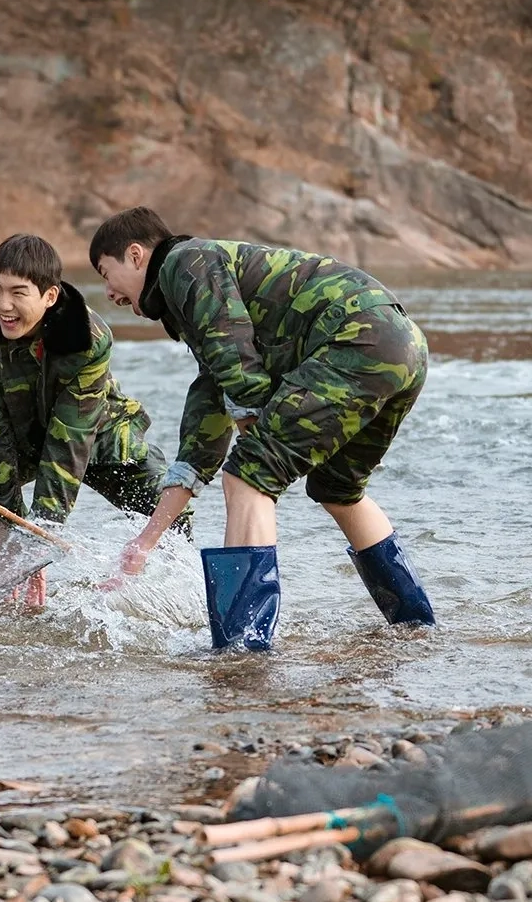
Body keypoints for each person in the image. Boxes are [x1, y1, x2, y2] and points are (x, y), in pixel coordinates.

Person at [87, 206, 435, 651]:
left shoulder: (185, 263)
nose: (109, 293)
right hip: (401, 346)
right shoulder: (202, 303)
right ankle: (416, 628)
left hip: (355, 338)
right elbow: (203, 433)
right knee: (337, 489)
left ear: (136, 255)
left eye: (106, 272)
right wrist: (144, 544)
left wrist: (251, 426)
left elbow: (233, 355)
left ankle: (243, 648)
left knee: (248, 476)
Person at [0, 233, 177, 605]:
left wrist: (37, 542)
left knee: (161, 497)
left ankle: (152, 588)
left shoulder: (88, 337)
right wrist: (12, 537)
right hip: (18, 431)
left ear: (49, 297)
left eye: (18, 293)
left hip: (97, 428)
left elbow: (70, 438)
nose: (3, 305)